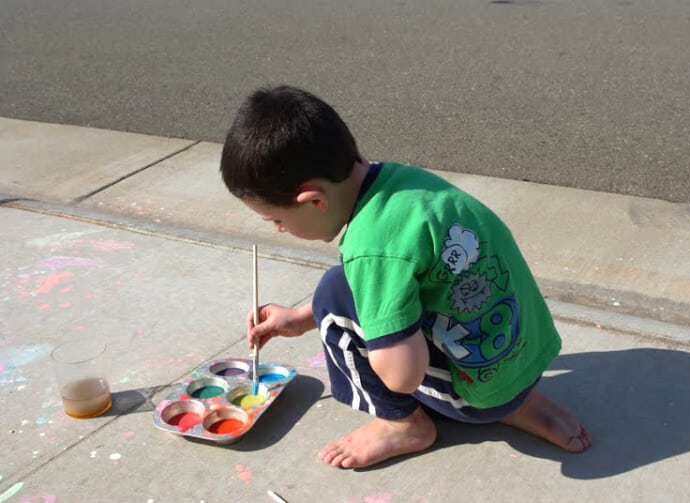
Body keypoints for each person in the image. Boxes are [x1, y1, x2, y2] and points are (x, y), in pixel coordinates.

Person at [220, 85, 591, 469]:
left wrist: (382, 339)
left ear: (314, 200)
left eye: (277, 220)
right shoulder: (405, 187)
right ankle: (519, 400)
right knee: (362, 286)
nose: (280, 229)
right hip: (523, 350)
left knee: (334, 293)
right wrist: (299, 320)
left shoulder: (372, 247)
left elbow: (402, 378)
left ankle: (403, 425)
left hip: (476, 390)